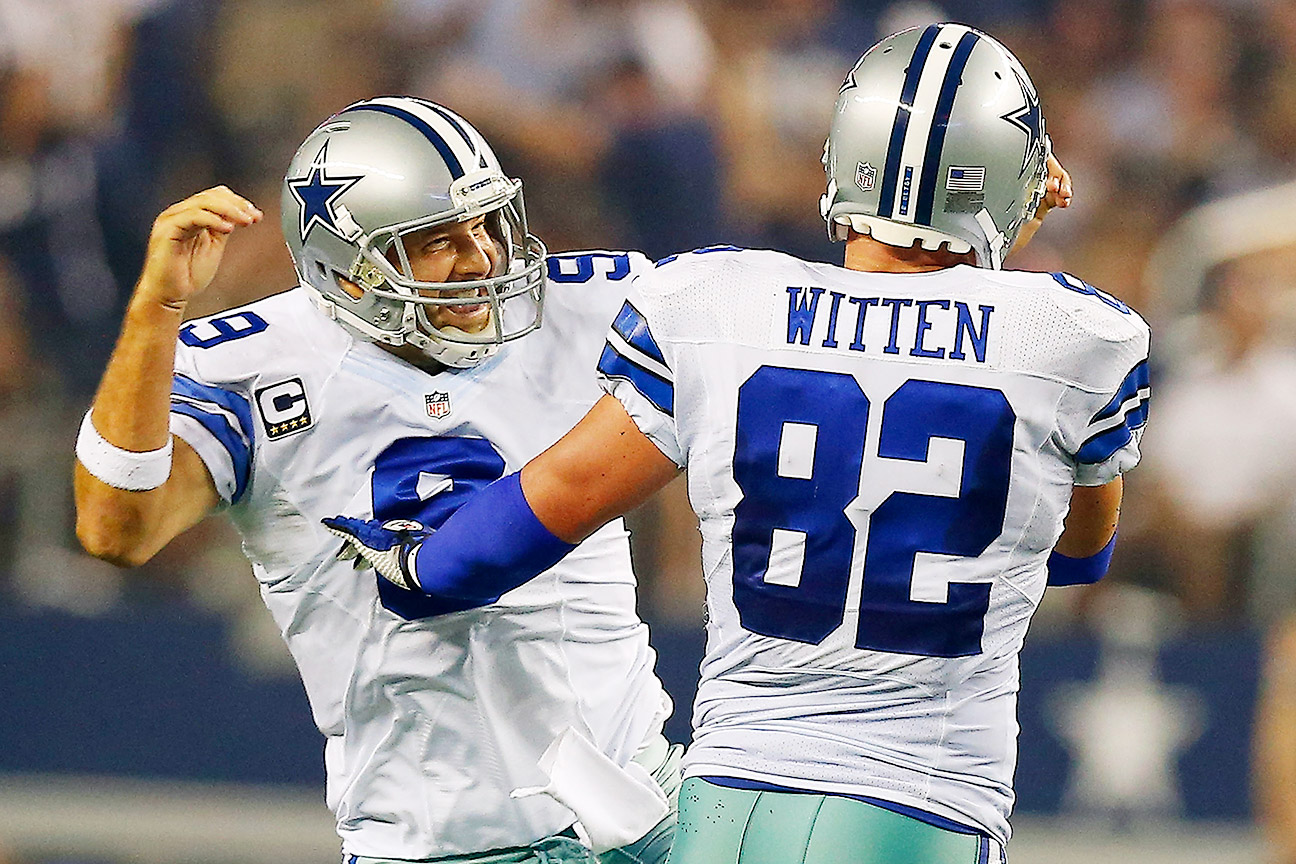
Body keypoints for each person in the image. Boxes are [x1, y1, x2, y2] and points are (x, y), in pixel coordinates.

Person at [326, 24, 1145, 863]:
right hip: (915, 812)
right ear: (1015, 181)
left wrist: (415, 563)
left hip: (721, 811)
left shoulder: (719, 305)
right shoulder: (1075, 336)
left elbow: (537, 513)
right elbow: (1076, 554)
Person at [73, 96, 681, 864]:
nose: (483, 259)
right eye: (437, 241)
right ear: (348, 270)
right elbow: (115, 530)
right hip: (442, 845)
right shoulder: (249, 367)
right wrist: (156, 310)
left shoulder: (591, 304)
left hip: (651, 813)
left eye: (487, 224)